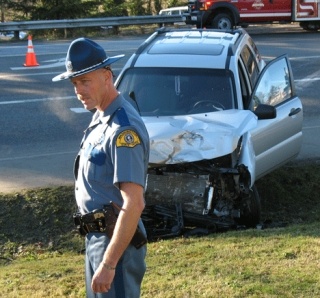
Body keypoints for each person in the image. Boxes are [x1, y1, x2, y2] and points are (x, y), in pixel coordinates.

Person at [52, 37, 150, 298]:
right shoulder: (101, 117)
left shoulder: (123, 129)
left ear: (107, 77)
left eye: (85, 81)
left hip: (115, 244)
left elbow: (134, 203)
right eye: (75, 83)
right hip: (97, 239)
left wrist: (109, 263)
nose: (78, 90)